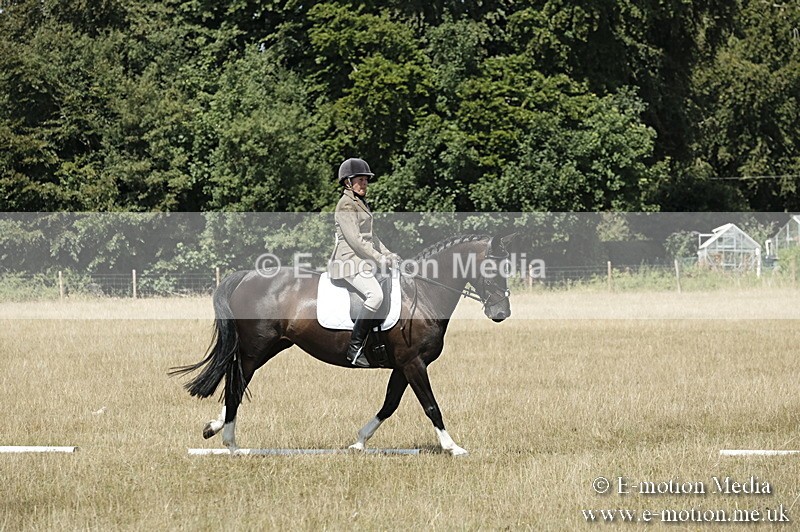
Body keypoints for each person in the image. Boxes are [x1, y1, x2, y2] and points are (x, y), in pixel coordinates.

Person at [328, 157, 400, 367]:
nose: (364, 184)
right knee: (375, 295)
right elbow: (356, 241)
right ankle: (355, 347)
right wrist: (380, 259)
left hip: (362, 260)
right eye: (360, 180)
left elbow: (372, 237)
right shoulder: (346, 205)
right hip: (348, 261)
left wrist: (389, 254)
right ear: (348, 182)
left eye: (366, 180)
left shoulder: (360, 203)